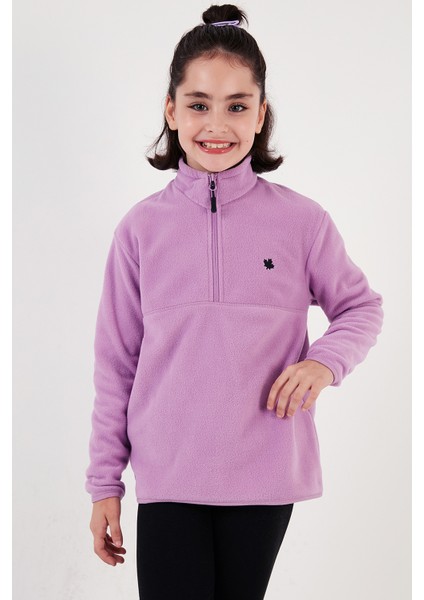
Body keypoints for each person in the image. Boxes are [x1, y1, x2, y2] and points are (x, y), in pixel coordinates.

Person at [85, 4, 384, 599]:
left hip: (265, 473)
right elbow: (116, 365)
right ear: (171, 111)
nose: (216, 124)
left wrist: (323, 364)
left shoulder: (301, 222)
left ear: (261, 113)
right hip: (169, 475)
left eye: (237, 106)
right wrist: (104, 484)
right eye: (198, 104)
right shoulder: (140, 230)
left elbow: (361, 307)